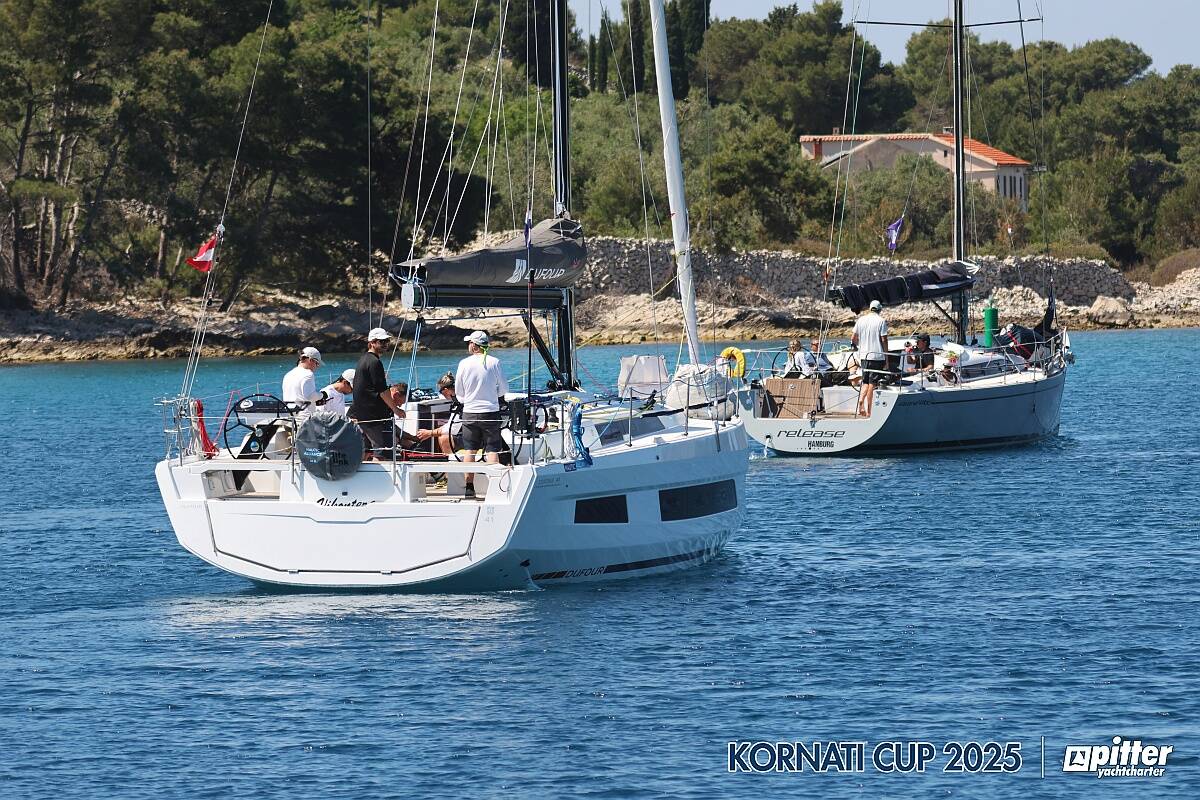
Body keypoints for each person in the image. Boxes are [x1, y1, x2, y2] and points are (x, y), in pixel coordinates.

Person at [454, 330, 507, 499]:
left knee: (469, 450)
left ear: (474, 345)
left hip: (469, 412)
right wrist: (494, 396)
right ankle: (495, 487)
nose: (468, 345)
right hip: (490, 412)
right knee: (492, 449)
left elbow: (458, 392)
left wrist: (467, 400)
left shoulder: (463, 363)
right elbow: (504, 389)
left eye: (469, 343)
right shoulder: (495, 362)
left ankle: (469, 487)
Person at [350, 328, 401, 459]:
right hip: (372, 416)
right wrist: (396, 409)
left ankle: (358, 477)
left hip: (363, 414)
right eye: (381, 341)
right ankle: (383, 479)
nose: (385, 344)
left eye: (387, 341)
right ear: (372, 342)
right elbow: (383, 391)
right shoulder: (374, 362)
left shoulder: (364, 360)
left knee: (366, 450)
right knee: (381, 450)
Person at [851, 300, 888, 417]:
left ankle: (860, 403)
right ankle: (869, 410)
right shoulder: (881, 321)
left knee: (865, 381)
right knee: (872, 383)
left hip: (864, 356)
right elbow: (884, 340)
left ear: (870, 308)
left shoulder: (861, 320)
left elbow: (853, 338)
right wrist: (886, 357)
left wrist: (857, 347)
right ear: (879, 309)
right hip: (876, 356)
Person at [416, 372, 462, 457]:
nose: (441, 394)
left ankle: (450, 468)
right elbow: (451, 425)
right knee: (442, 435)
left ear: (446, 390)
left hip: (473, 436)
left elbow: (451, 429)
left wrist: (429, 433)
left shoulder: (459, 403)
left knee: (444, 438)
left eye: (441, 392)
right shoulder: (459, 400)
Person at [282, 346, 328, 415]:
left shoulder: (288, 374)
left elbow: (298, 397)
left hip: (290, 415)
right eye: (317, 363)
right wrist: (322, 395)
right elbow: (310, 396)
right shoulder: (308, 374)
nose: (317, 367)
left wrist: (315, 401)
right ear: (310, 360)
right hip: (304, 418)